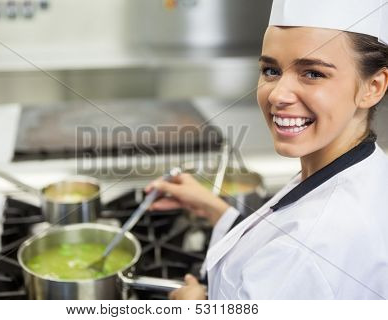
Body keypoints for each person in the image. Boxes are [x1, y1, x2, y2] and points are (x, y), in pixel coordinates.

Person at [145, 0, 388, 299]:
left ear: (373, 87)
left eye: (312, 73)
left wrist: (195, 306)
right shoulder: (362, 166)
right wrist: (216, 210)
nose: (278, 94)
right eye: (271, 70)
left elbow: (292, 258)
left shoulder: (309, 248)